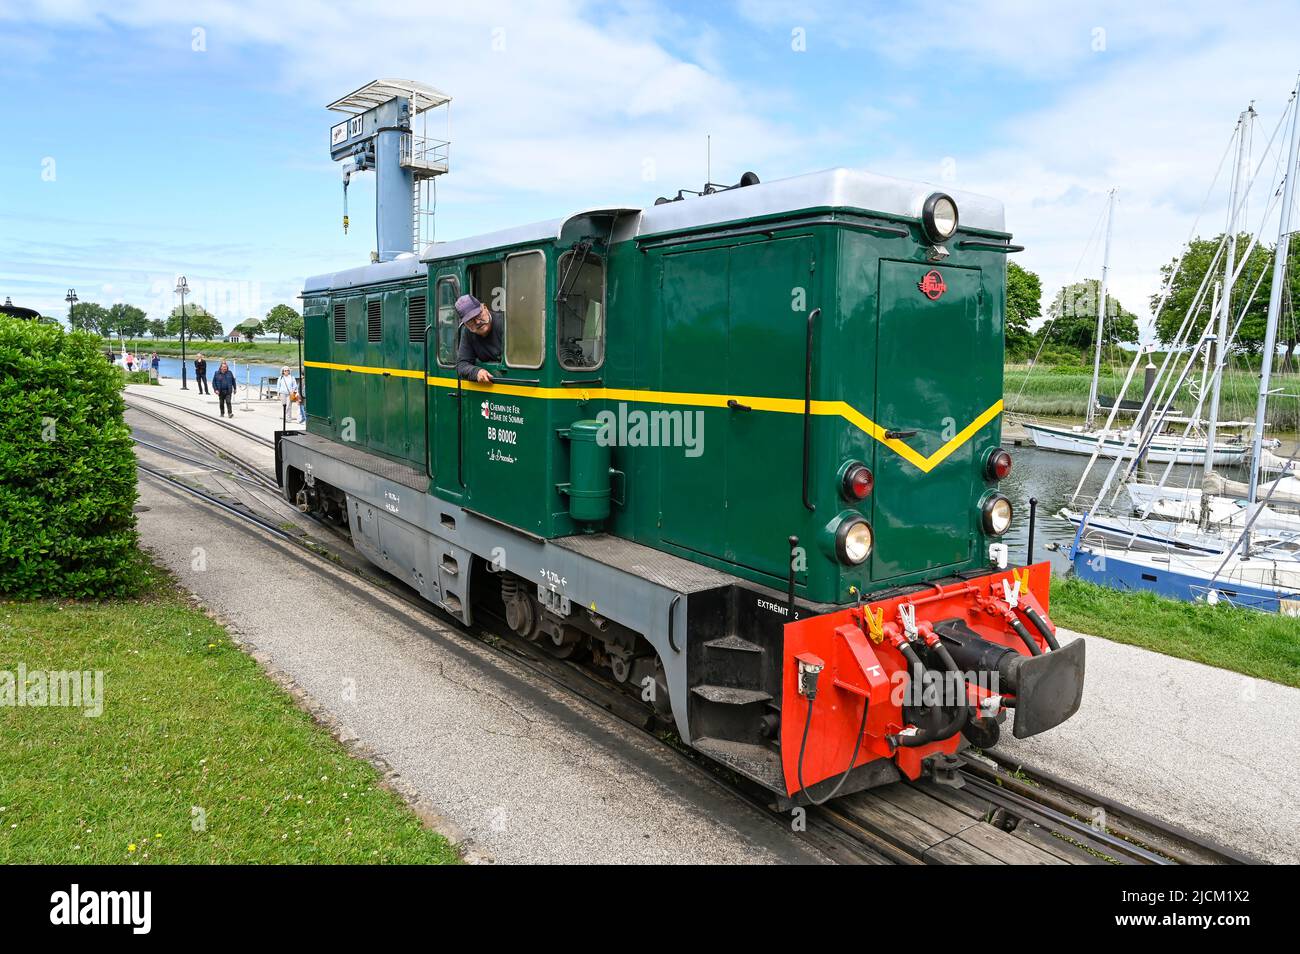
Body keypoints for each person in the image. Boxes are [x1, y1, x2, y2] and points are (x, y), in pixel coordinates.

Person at [454, 294, 503, 383]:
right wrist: (477, 372)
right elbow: (461, 365)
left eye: (479, 314)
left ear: (485, 308)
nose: (477, 322)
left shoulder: (504, 324)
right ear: (465, 324)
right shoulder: (468, 332)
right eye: (470, 320)